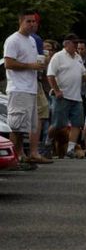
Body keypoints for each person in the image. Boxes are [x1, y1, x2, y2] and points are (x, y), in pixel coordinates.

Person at [3, 9, 44, 170]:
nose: (32, 24)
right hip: (18, 88)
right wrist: (30, 66)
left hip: (30, 88)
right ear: (20, 22)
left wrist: (39, 65)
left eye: (34, 21)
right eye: (28, 21)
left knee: (24, 128)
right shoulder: (13, 40)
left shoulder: (32, 41)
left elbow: (32, 63)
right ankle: (13, 159)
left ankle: (20, 156)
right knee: (16, 126)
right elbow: (8, 63)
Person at [46, 33, 86, 159]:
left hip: (76, 96)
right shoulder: (58, 57)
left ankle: (70, 149)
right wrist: (56, 90)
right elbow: (50, 75)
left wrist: (84, 78)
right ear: (66, 44)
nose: (76, 45)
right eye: (74, 43)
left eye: (77, 43)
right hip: (62, 96)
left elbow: (83, 73)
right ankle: (47, 142)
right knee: (58, 124)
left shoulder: (78, 57)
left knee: (77, 124)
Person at [28, 12, 53, 164]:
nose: (35, 25)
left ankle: (31, 151)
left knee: (37, 113)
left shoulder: (22, 39)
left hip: (28, 83)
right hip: (33, 82)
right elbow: (40, 63)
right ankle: (34, 151)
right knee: (40, 112)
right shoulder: (36, 39)